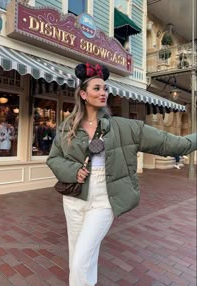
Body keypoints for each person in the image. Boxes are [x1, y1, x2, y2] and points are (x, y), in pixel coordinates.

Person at [46, 62, 197, 286]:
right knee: (79, 255)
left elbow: (176, 144)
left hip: (105, 197)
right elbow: (53, 159)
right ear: (83, 94)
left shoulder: (125, 127)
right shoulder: (67, 126)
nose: (103, 92)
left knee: (80, 260)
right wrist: (74, 171)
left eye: (105, 88)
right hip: (74, 199)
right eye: (97, 88)